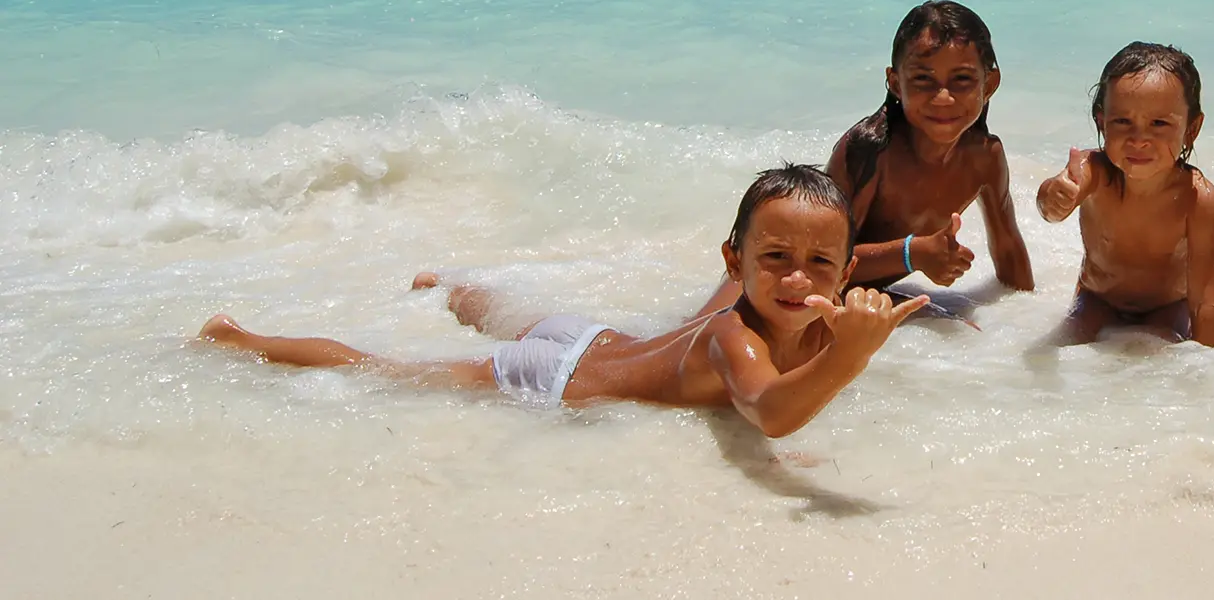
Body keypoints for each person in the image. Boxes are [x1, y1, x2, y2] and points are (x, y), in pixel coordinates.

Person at [198, 165, 927, 437]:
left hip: (601, 338)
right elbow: (770, 414)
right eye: (775, 259)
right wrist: (850, 358)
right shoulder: (733, 341)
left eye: (818, 264)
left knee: (497, 305)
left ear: (842, 271)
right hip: (555, 379)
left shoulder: (803, 306)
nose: (797, 280)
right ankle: (238, 338)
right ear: (737, 261)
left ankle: (452, 288)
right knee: (389, 371)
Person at [697, 1, 1034, 319]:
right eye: (923, 79)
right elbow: (820, 256)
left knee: (957, 326)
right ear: (895, 83)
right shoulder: (871, 149)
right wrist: (912, 253)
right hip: (773, 282)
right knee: (701, 335)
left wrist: (1022, 315)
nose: (942, 97)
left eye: (961, 80)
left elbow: (1008, 250)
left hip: (845, 291)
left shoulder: (985, 157)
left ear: (989, 83)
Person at [1034, 42, 1214, 346]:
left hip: (1168, 308)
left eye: (1159, 123)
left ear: (1191, 128)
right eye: (1123, 122)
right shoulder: (1094, 172)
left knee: (1165, 355)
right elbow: (1051, 205)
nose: (1139, 139)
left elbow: (1206, 306)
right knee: (1068, 347)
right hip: (1098, 300)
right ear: (1101, 121)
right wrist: (1056, 198)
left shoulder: (1199, 199)